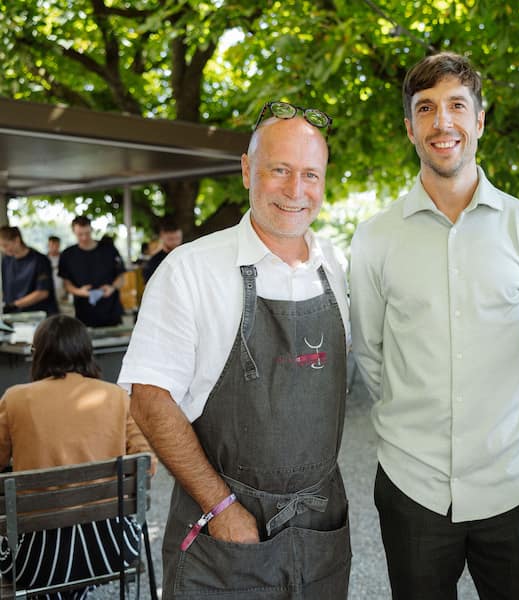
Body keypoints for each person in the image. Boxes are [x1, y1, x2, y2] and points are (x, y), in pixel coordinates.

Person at [350, 52, 519, 600]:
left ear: (480, 120)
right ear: (410, 128)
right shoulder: (375, 238)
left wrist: (498, 415)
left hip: (511, 483)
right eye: (426, 108)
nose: (442, 122)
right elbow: (370, 353)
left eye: (457, 106)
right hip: (412, 483)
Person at [118, 101, 351, 598]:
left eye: (310, 174)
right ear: (247, 170)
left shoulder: (337, 267)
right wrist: (222, 508)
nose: (295, 190)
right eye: (279, 170)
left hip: (320, 531)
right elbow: (149, 400)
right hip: (225, 536)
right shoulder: (190, 270)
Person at [0, 314, 155, 599]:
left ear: (39, 354)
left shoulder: (14, 399)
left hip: (35, 560)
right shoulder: (116, 397)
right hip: (111, 549)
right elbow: (146, 465)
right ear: (86, 352)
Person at [58, 216, 126, 327]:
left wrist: (112, 288)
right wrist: (79, 291)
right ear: (74, 232)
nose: (84, 237)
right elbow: (66, 284)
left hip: (111, 311)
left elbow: (121, 278)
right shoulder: (67, 255)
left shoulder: (109, 250)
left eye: (87, 233)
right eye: (80, 234)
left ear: (91, 229)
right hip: (83, 314)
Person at [0, 226, 58, 315]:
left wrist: (14, 305)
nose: (3, 249)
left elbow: (42, 292)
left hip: (38, 314)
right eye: (1, 246)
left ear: (17, 240)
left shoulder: (39, 260)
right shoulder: (6, 260)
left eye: (5, 245)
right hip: (14, 314)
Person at [142, 218, 183, 282]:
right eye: (171, 239)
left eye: (178, 238)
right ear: (161, 236)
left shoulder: (184, 256)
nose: (175, 242)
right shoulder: (154, 262)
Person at [47, 234, 67, 304]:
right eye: (52, 245)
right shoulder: (44, 260)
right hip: (49, 290)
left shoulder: (64, 259)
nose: (54, 248)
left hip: (63, 290)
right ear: (48, 245)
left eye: (56, 245)